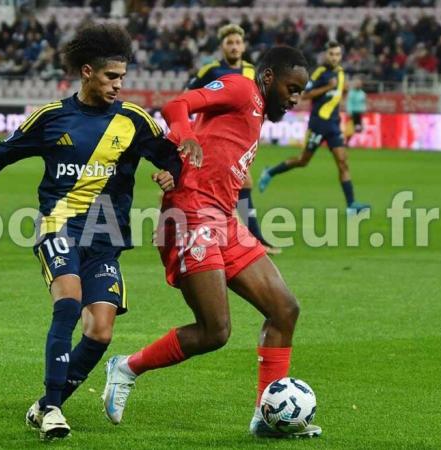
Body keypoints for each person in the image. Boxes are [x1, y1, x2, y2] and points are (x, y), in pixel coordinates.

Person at [0, 24, 181, 442]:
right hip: (59, 225)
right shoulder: (51, 118)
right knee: (68, 304)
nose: (118, 85)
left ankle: (45, 405)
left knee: (101, 331)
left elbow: (171, 157)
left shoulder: (134, 121)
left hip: (107, 237)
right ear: (87, 72)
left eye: (122, 78)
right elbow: (0, 156)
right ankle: (51, 408)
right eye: (110, 77)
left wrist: (168, 174)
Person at [101, 46, 323, 439]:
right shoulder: (240, 89)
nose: (294, 98)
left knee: (285, 309)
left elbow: (223, 169)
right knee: (215, 331)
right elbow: (177, 105)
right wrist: (185, 138)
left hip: (222, 220)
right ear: (268, 77)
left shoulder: (256, 114)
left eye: (301, 92)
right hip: (190, 215)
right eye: (291, 88)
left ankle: (265, 417)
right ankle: (126, 367)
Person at [188, 23, 280, 255]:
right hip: (214, 136)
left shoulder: (252, 70)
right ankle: (252, 239)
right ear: (222, 47)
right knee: (240, 183)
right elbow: (188, 96)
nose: (234, 46)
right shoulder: (211, 70)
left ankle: (241, 236)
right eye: (230, 43)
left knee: (236, 184)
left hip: (239, 138)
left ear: (244, 45)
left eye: (238, 42)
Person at [258, 41, 369, 213]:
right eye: (332, 54)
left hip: (333, 125)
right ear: (326, 55)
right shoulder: (320, 73)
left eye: (338, 54)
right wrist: (328, 87)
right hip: (318, 124)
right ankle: (270, 172)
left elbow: (340, 91)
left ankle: (351, 205)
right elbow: (306, 94)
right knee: (303, 161)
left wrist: (342, 91)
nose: (335, 58)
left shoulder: (340, 72)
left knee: (342, 162)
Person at [345, 77, 367, 144]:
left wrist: (364, 110)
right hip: (353, 112)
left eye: (359, 84)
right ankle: (347, 142)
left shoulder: (362, 93)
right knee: (351, 129)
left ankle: (358, 143)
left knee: (359, 128)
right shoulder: (351, 93)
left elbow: (363, 103)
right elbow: (349, 102)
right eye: (357, 83)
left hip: (360, 113)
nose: (358, 85)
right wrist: (349, 111)